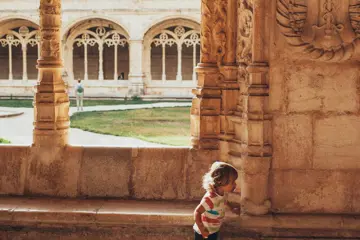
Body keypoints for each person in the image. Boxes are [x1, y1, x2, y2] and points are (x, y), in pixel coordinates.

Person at [193, 161, 239, 240]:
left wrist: (232, 208)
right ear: (221, 182)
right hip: (203, 233)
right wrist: (202, 229)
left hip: (214, 230)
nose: (235, 184)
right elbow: (197, 212)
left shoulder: (222, 194)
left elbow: (223, 201)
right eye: (232, 182)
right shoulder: (210, 199)